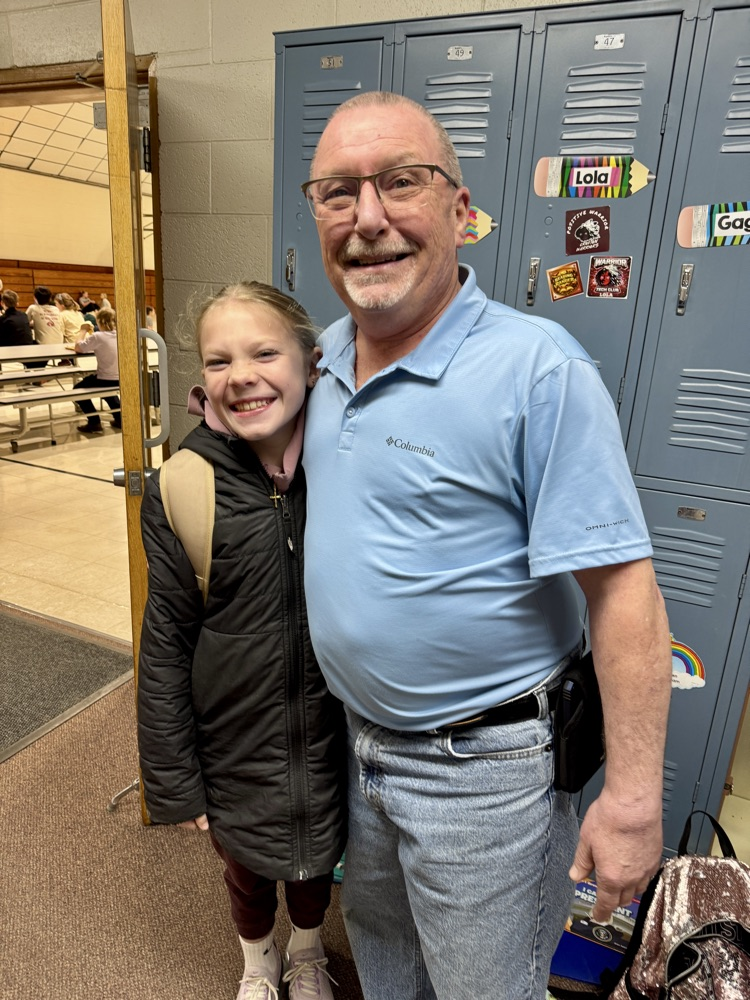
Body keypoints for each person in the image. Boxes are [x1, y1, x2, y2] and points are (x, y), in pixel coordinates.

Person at [301, 91, 673, 1000]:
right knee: (387, 963)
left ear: (462, 213)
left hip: (488, 773)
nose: (370, 218)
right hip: (360, 745)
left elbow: (623, 588)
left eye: (401, 183)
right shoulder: (316, 358)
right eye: (339, 192)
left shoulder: (537, 369)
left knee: (483, 987)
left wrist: (631, 799)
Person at [137, 281, 346, 1000]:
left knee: (318, 862)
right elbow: (165, 643)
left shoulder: (346, 466)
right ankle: (258, 959)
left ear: (312, 365)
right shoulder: (183, 485)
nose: (243, 375)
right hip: (233, 735)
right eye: (221, 360)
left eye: (265, 352)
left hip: (329, 724)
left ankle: (308, 950)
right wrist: (173, 777)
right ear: (203, 380)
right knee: (247, 867)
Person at [72, 306, 121, 433]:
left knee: (77, 390)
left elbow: (78, 347)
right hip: (121, 378)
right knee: (107, 391)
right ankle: (120, 419)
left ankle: (94, 422)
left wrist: (83, 331)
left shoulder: (98, 336)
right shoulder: (121, 335)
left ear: (99, 321)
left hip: (105, 379)